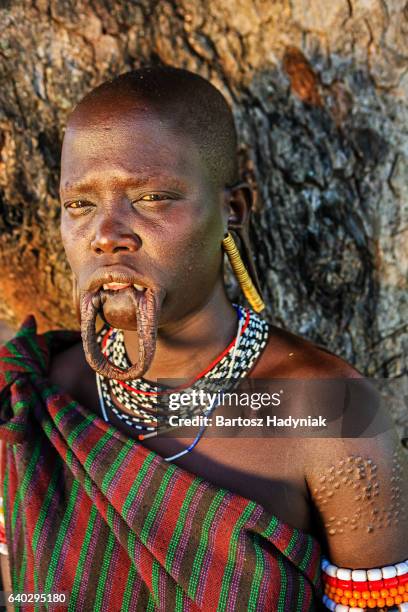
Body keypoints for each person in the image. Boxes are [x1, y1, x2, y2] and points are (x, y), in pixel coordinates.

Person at [0, 66, 406, 612]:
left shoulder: (331, 413)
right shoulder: (34, 398)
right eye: (80, 205)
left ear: (231, 211)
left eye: (152, 197)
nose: (105, 235)